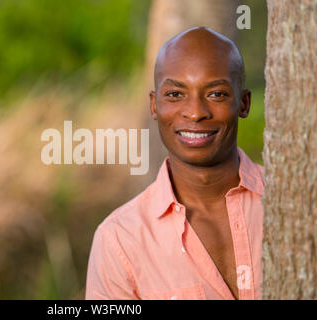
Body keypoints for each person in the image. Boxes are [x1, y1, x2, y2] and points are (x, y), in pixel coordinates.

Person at [85, 27, 264, 300]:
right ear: (155, 106)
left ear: (244, 103)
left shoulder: (299, 202)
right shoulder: (120, 240)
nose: (195, 113)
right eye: (175, 95)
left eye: (216, 94)